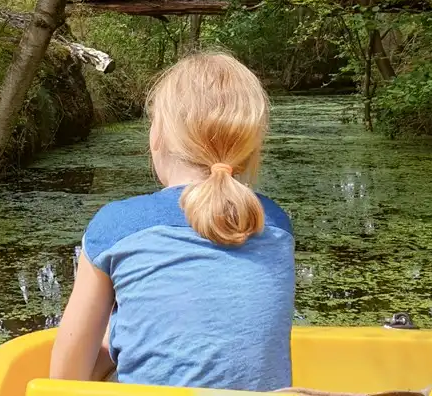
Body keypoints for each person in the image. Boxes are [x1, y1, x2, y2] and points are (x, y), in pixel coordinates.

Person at [49, 52, 296, 391]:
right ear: (251, 150)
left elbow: (65, 381)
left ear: (158, 137)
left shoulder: (115, 227)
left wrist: (112, 337)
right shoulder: (277, 225)